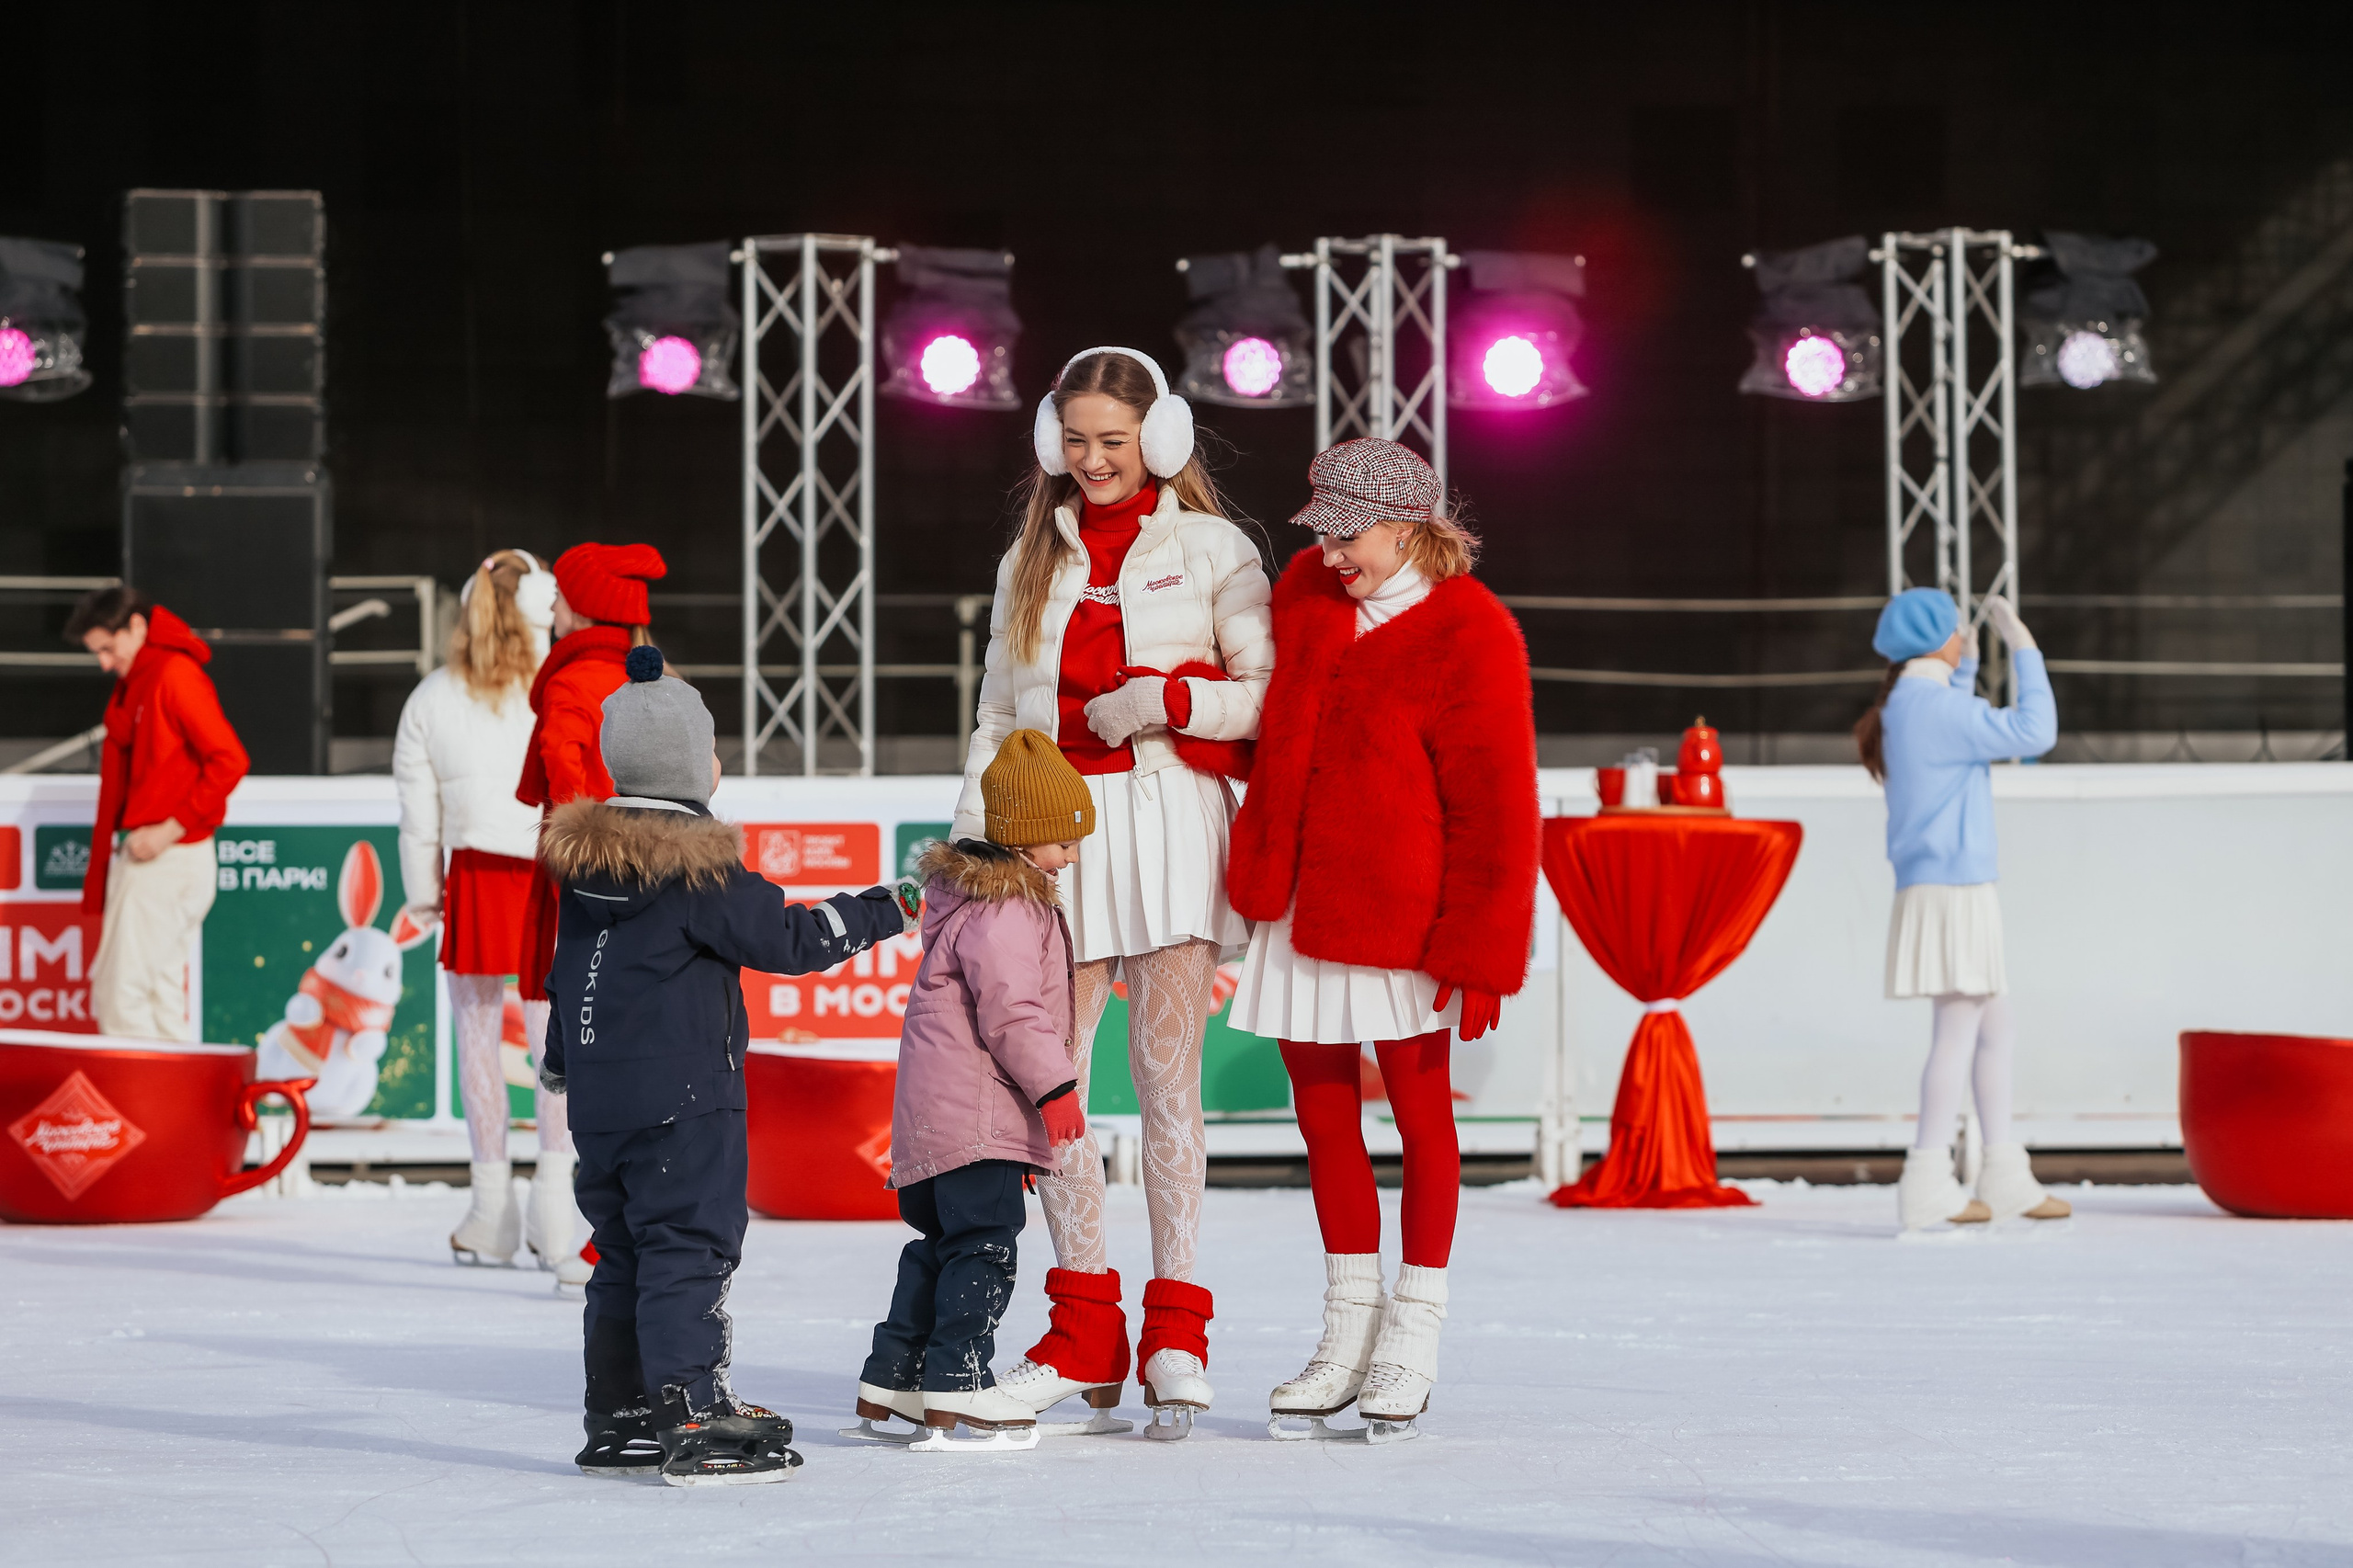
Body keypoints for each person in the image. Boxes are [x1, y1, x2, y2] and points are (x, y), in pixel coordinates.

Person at [953, 347, 1273, 1437]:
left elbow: (1266, 696)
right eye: (1076, 438)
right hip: (1054, 846)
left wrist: (1168, 698)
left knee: (1168, 1086)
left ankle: (1176, 1332)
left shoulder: (1215, 547)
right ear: (1052, 440)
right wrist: (977, 841)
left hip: (1172, 823)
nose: (1093, 459)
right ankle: (1084, 1321)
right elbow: (997, 714)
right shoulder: (1026, 560)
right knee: (1052, 1088)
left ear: (1162, 440)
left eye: (1114, 440)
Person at [539, 646, 918, 1484]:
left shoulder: (584, 868)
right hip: (686, 1101)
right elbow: (792, 939)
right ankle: (690, 1411)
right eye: (713, 750)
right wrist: (890, 906)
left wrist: (564, 1063)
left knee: (622, 1251)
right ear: (690, 767)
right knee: (687, 1246)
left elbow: (567, 974)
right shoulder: (700, 864)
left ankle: (623, 1412)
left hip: (601, 1105)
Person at [1225, 437, 1539, 1443]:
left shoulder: (1472, 630)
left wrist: (1482, 947)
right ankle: (1346, 1329)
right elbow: (1268, 731)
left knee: (1420, 1121)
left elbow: (1496, 802)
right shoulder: (1308, 596)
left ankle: (1415, 1328)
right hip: (1298, 901)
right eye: (1321, 532)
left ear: (1407, 527)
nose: (1331, 551)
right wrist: (1172, 722)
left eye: (1348, 533)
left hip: (1400, 915)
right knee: (1321, 1122)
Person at [851, 730, 1094, 1451]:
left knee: (939, 1243)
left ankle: (896, 1372)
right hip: (977, 1117)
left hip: (936, 1121)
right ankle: (960, 1380)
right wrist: (1055, 1089)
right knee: (985, 1247)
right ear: (1025, 842)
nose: (1072, 857)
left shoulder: (965, 903)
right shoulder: (1009, 910)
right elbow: (1013, 1011)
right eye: (1063, 843)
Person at [1856, 587, 2067, 1233]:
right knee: (1958, 1034)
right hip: (1956, 890)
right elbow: (2038, 731)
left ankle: (2001, 1172)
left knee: (1992, 1027)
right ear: (1942, 642)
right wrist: (2023, 644)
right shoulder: (1937, 711)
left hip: (1944, 888)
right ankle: (1926, 1177)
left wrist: (1967, 666)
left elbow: (1952, 722)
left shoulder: (1909, 707)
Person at [392, 550, 562, 1270]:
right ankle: (558, 1202)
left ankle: (490, 1207)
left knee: (479, 1040)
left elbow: (415, 810)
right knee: (556, 1043)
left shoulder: (430, 696)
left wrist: (424, 891)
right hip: (553, 868)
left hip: (476, 876)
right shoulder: (560, 686)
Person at [512, 540, 666, 1280]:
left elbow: (571, 792)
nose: (549, 603)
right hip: (658, 889)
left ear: (584, 605)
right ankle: (623, 1236)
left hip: (593, 899)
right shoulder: (653, 677)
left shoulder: (573, 682)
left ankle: (605, 1243)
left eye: (560, 592)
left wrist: (586, 882)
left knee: (590, 1064)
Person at [68, 587, 249, 1041]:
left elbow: (230, 758)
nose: (104, 664)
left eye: (108, 649)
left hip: (165, 859)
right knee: (159, 997)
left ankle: (140, 1107)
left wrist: (168, 830)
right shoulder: (149, 678)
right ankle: (174, 1109)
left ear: (137, 627)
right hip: (172, 856)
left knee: (120, 994)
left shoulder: (172, 675)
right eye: (97, 654)